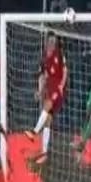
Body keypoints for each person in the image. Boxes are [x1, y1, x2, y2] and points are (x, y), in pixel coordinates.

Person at [25, 32, 68, 166]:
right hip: (49, 89)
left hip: (57, 89)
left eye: (54, 41)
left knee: (47, 106)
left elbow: (65, 70)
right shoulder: (44, 58)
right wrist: (39, 91)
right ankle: (44, 152)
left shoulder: (59, 54)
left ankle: (34, 132)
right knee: (48, 120)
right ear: (46, 41)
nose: (52, 43)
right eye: (50, 41)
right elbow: (42, 76)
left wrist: (62, 85)